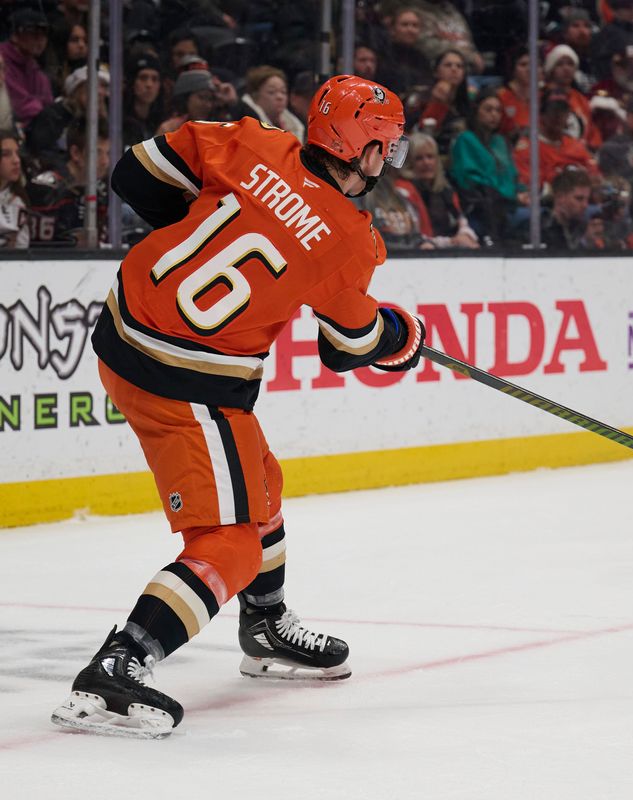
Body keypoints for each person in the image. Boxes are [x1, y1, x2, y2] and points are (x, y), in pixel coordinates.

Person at [50, 75, 425, 738]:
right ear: (363, 148)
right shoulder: (350, 239)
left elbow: (132, 176)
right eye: (385, 147)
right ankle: (120, 663)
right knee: (232, 544)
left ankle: (265, 624)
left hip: (124, 325)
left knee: (261, 480)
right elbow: (349, 346)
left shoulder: (251, 142)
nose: (385, 161)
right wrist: (402, 334)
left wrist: (216, 223)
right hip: (185, 382)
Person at [450, 87, 528, 244]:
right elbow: (469, 179)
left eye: (498, 110)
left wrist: (522, 192)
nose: (494, 115)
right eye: (488, 109)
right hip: (484, 209)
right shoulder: (465, 140)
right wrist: (506, 196)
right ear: (476, 111)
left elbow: (513, 174)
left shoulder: (501, 141)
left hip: (509, 205)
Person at [26, 120, 110, 246]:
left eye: (108, 153)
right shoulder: (46, 190)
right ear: (75, 153)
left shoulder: (101, 191)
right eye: (97, 152)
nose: (105, 162)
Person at [397, 132, 479, 248]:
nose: (426, 162)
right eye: (419, 158)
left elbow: (462, 222)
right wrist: (452, 242)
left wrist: (465, 235)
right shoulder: (402, 192)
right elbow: (410, 236)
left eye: (430, 156)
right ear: (409, 163)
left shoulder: (446, 190)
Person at [26, 64, 109, 173]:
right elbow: (42, 154)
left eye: (103, 86)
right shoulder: (52, 116)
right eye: (94, 85)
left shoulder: (100, 122)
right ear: (76, 89)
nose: (100, 92)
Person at [513, 87, 598, 192]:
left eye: (563, 111)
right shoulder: (528, 147)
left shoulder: (574, 144)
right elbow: (530, 187)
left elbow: (595, 175)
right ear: (542, 115)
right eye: (553, 110)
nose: (558, 116)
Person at [407, 49, 470, 152]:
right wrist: (436, 103)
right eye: (448, 65)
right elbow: (414, 130)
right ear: (436, 72)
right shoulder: (419, 96)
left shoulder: (466, 103)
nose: (454, 69)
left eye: (459, 66)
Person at [1, 8, 54, 129]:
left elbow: (49, 107)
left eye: (44, 34)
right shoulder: (2, 60)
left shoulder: (36, 70)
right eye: (34, 33)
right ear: (15, 35)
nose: (40, 40)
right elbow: (18, 104)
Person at [231, 66, 305, 141]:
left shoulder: (294, 127)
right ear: (255, 95)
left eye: (283, 92)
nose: (280, 97)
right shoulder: (245, 125)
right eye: (271, 92)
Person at [591, 0, 633, 82]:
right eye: (628, 8)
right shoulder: (607, 33)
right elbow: (600, 63)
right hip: (613, 83)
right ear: (616, 11)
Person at [541, 164, 592, 250]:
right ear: (560, 197)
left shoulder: (584, 229)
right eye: (579, 199)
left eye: (587, 199)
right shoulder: (539, 231)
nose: (585, 205)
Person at [123, 54, 166, 147]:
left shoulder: (163, 120)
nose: (149, 84)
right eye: (143, 78)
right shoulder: (119, 120)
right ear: (132, 82)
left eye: (154, 79)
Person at [0, 130, 29, 248]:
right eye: (6, 154)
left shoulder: (18, 204)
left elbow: (22, 251)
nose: (16, 160)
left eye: (17, 153)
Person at [497, 47, 532, 137]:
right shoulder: (500, 96)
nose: (529, 69)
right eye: (523, 65)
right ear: (513, 68)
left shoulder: (542, 96)